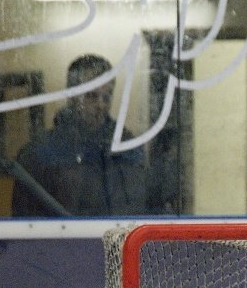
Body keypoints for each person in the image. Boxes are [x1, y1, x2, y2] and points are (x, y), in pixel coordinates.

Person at [12, 54, 149, 216]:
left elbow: (142, 209)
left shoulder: (127, 149)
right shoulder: (40, 154)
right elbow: (26, 226)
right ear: (72, 96)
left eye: (107, 96)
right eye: (91, 96)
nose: (101, 105)